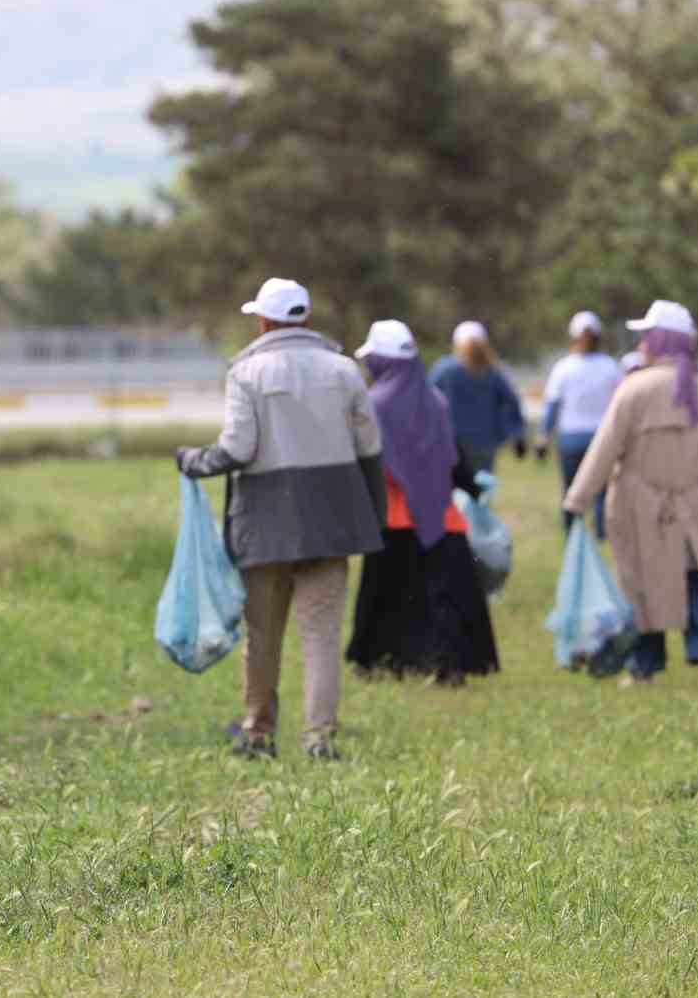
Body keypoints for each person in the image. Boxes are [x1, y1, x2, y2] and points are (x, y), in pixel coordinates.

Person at [176, 277, 385, 761]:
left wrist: (194, 461)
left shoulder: (247, 373)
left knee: (263, 637)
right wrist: (372, 517)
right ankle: (319, 738)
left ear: (265, 320)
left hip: (264, 525)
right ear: (306, 318)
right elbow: (369, 447)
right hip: (332, 522)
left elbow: (238, 448)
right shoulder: (344, 370)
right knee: (322, 635)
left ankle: (258, 734)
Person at [563, 300, 698, 689]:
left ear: (658, 340)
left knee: (640, 585)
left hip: (643, 503)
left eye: (646, 336)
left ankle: (645, 669)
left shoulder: (635, 388)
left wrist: (577, 500)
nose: (641, 343)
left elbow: (604, 450)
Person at [345, 321, 501, 684]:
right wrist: (473, 490)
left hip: (394, 516)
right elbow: (453, 457)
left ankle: (380, 661)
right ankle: (450, 665)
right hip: (440, 517)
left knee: (386, 597)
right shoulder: (435, 400)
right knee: (443, 598)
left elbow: (366, 459)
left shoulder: (375, 403)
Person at [537, 311, 623, 538]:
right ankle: (602, 532)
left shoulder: (564, 367)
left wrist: (543, 436)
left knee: (571, 488)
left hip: (570, 438)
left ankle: (572, 531)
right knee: (602, 488)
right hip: (601, 436)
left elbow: (552, 406)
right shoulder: (610, 367)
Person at [428, 321, 527, 473]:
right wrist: (517, 434)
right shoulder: (493, 372)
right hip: (486, 444)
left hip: (452, 443)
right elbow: (510, 402)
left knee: (456, 492)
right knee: (482, 490)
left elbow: (426, 400)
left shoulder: (444, 369)